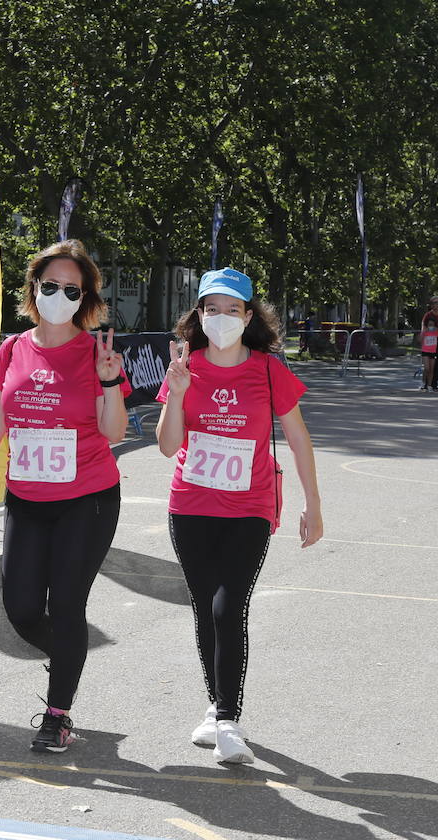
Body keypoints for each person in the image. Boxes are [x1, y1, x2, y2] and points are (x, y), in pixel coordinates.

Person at [0, 239, 128, 754]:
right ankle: (69, 661)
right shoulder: (14, 348)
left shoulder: (97, 353)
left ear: (86, 296)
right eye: (49, 286)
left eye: (71, 289)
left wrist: (110, 381)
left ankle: (57, 715)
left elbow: (114, 432)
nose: (58, 295)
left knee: (67, 607)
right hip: (25, 498)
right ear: (33, 290)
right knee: (22, 610)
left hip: (87, 499)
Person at [156, 268, 323, 765]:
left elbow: (297, 437)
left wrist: (313, 504)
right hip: (191, 507)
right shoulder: (187, 366)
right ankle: (215, 707)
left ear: (248, 316)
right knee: (205, 608)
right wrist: (180, 389)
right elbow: (167, 447)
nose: (222, 318)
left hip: (249, 506)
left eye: (233, 310)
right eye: (212, 309)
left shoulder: (269, 370)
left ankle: (228, 719)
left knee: (230, 608)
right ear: (199, 315)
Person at [420, 296, 438, 390]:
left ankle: (434, 384)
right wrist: (422, 338)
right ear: (431, 305)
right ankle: (424, 383)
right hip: (429, 343)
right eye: (434, 303)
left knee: (436, 365)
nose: (436, 305)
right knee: (427, 366)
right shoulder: (427, 315)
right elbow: (423, 328)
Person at [419, 317, 438, 391]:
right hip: (425, 351)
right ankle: (423, 384)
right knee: (426, 368)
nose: (431, 326)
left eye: (432, 324)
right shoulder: (425, 331)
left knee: (431, 369)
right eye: (429, 324)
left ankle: (429, 385)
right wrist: (424, 332)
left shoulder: (436, 331)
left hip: (433, 351)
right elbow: (419, 340)